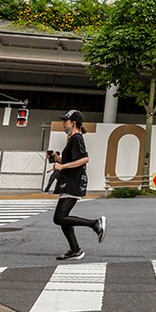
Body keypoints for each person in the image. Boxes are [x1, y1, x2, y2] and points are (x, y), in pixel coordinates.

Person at [52, 109, 106, 260]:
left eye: (65, 121)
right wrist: (58, 160)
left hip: (73, 182)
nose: (63, 124)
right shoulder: (73, 139)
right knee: (63, 217)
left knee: (59, 218)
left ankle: (95, 224)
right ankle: (75, 250)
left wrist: (62, 167)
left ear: (73, 123)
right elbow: (72, 161)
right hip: (69, 181)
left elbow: (84, 159)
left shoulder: (76, 138)